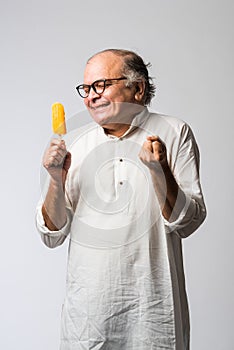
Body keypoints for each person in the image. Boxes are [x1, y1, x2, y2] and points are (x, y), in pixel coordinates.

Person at [36, 48, 206, 350]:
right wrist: (54, 177)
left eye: (101, 85)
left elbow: (187, 222)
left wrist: (160, 169)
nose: (90, 96)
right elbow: (52, 234)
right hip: (88, 321)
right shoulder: (75, 143)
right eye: (86, 89)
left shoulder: (174, 132)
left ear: (137, 89)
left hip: (154, 316)